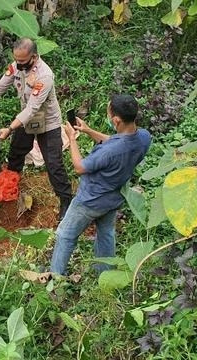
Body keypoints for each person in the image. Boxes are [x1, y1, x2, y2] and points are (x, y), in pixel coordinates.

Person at [50, 95, 152, 275]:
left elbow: (80, 167)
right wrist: (89, 131)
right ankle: (105, 274)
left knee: (65, 235)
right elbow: (115, 140)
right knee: (106, 235)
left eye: (108, 112)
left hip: (90, 201)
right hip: (113, 198)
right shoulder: (143, 137)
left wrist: (72, 139)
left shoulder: (110, 152)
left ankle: (55, 277)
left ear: (116, 120)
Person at [0, 38, 72, 220]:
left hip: (48, 123)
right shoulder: (16, 66)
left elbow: (32, 109)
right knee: (16, 153)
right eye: (16, 60)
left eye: (22, 61)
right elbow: (0, 85)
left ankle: (66, 201)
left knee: (54, 165)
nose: (18, 64)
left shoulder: (44, 76)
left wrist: (9, 128)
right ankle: (10, 188)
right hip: (26, 119)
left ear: (34, 56)